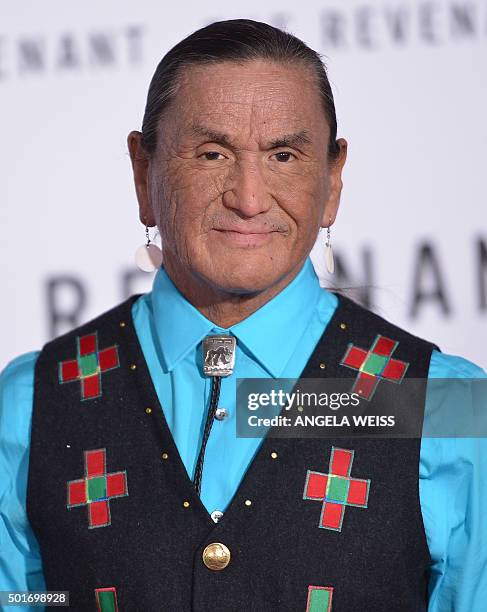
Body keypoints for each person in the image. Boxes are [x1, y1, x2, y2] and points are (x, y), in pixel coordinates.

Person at [0, 18, 486, 612]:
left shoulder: (443, 405)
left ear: (332, 180)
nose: (249, 198)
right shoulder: (31, 405)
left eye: (284, 154)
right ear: (142, 173)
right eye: (212, 153)